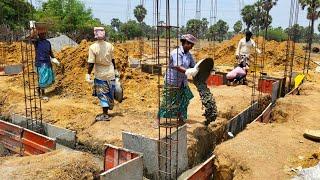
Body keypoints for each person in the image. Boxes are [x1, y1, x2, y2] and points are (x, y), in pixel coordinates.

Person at [156, 34, 198, 127]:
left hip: (183, 82)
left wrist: (198, 69)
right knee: (167, 101)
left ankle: (181, 120)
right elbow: (177, 66)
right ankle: (157, 120)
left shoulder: (189, 55)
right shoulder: (176, 53)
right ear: (184, 43)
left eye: (192, 45)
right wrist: (187, 71)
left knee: (184, 99)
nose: (191, 46)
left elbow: (193, 66)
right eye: (190, 44)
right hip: (172, 80)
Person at [85, 27, 117, 121]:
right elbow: (113, 60)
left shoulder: (93, 47)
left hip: (100, 74)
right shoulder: (110, 45)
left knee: (102, 94)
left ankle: (105, 114)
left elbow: (91, 63)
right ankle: (109, 104)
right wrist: (115, 70)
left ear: (95, 35)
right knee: (110, 92)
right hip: (110, 72)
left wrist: (88, 74)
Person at [30, 23, 60, 100]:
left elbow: (50, 52)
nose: (43, 35)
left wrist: (54, 59)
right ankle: (41, 94)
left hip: (47, 62)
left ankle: (39, 90)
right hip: (40, 62)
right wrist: (33, 28)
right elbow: (32, 37)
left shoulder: (47, 42)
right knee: (43, 77)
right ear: (39, 35)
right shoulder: (37, 42)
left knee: (48, 78)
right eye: (41, 34)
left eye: (44, 34)